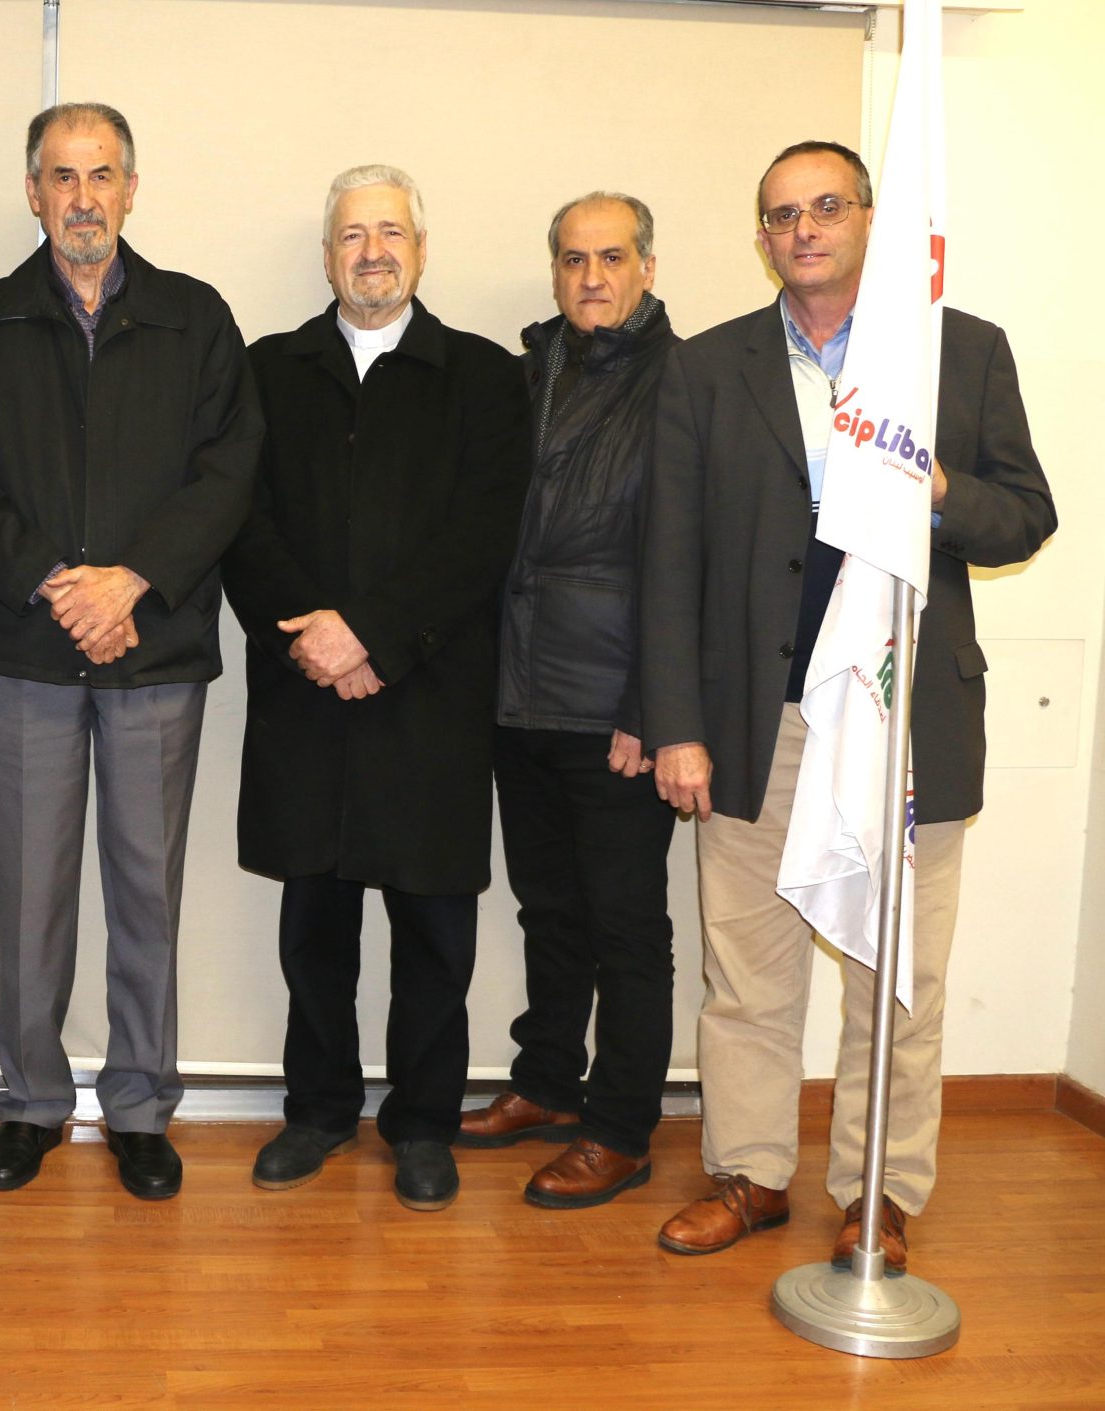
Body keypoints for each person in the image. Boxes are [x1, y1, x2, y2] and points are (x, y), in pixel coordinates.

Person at [641, 141, 1056, 1269]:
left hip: (905, 718)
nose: (804, 229)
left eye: (825, 206)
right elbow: (667, 557)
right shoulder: (705, 366)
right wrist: (675, 724)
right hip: (757, 719)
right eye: (782, 215)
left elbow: (1025, 515)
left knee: (899, 980)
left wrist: (936, 486)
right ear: (761, 238)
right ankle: (749, 1173)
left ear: (868, 218)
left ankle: (879, 1191)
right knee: (746, 970)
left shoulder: (960, 352)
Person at [0, 102, 261, 1200]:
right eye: (61, 177)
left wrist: (132, 580)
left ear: (130, 188)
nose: (82, 198)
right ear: (32, 193)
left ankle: (139, 1106)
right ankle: (30, 1103)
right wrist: (55, 583)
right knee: (30, 896)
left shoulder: (193, 318)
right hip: (27, 651)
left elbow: (227, 471)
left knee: (147, 893)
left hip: (152, 651)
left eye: (101, 174)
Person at [222, 164, 528, 1213]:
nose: (371, 252)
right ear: (326, 256)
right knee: (313, 927)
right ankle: (316, 1110)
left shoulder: (483, 377)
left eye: (390, 233)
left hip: (430, 696)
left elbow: (481, 536)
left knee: (435, 935)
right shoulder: (267, 370)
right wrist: (315, 638)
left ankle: (424, 1122)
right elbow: (239, 522)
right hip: (304, 693)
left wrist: (372, 637)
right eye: (351, 235)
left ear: (420, 251)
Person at [460, 193, 680, 1210]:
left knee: (625, 926)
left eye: (611, 258)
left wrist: (653, 702)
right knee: (547, 908)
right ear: (553, 271)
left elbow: (686, 559)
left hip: (616, 708)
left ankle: (621, 1128)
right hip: (520, 693)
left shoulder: (684, 382)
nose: (591, 277)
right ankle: (547, 1082)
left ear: (646, 268)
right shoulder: (528, 370)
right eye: (573, 260)